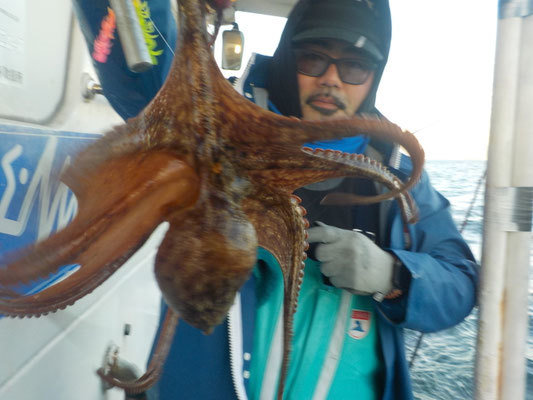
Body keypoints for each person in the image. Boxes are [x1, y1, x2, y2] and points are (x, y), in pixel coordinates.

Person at [74, 0, 479, 399]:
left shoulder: (398, 179)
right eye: (313, 59)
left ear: (375, 76)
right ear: (288, 57)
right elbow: (137, 67)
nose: (331, 79)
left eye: (355, 66)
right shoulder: (215, 134)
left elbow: (461, 282)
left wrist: (392, 276)